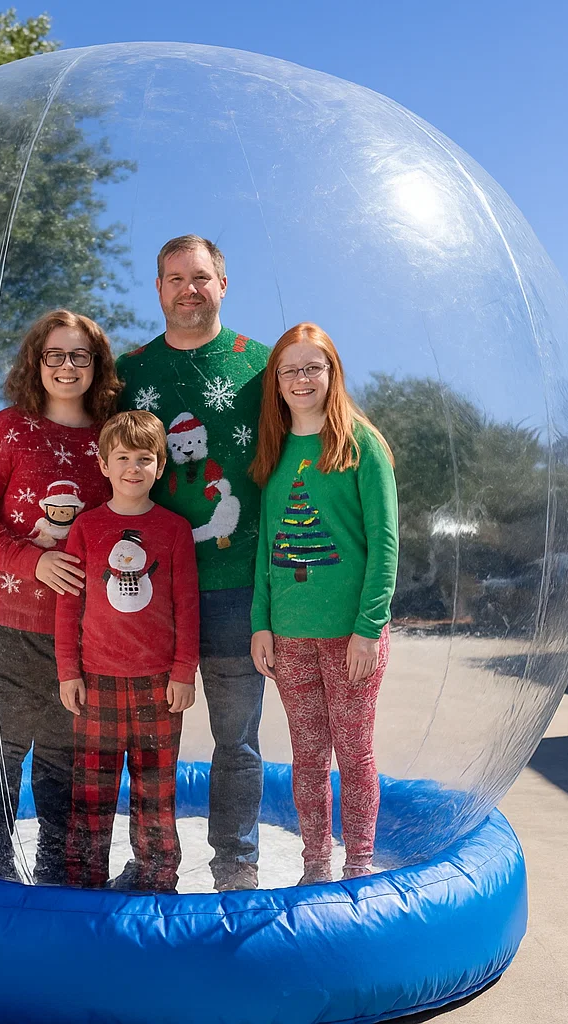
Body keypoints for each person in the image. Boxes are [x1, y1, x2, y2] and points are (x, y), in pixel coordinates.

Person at [115, 235, 268, 891]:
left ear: (223, 285)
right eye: (175, 278)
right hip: (151, 593)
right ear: (158, 289)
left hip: (236, 591)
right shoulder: (128, 373)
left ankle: (235, 861)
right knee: (151, 744)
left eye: (201, 277)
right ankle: (154, 864)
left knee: (236, 741)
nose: (188, 289)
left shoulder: (262, 366)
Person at [0, 309, 119, 883]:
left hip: (78, 631)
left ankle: (54, 870)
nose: (67, 367)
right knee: (2, 745)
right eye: (55, 356)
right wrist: (34, 560)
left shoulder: (111, 438)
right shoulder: (6, 430)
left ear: (97, 365)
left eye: (80, 356)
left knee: (61, 753)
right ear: (36, 363)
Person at [248, 322, 398, 884]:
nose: (302, 379)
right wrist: (262, 623)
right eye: (290, 370)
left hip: (351, 636)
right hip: (289, 635)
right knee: (307, 756)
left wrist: (368, 627)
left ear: (332, 372)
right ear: (277, 382)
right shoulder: (277, 448)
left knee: (354, 754)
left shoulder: (362, 444)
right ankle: (316, 864)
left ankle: (359, 864)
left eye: (314, 367)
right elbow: (266, 544)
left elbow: (385, 543)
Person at [55, 410, 199, 892]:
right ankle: (85, 883)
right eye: (122, 457)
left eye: (145, 458)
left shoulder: (174, 530)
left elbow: (187, 606)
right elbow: (68, 607)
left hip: (159, 685)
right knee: (91, 792)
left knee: (155, 791)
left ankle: (158, 879)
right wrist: (67, 672)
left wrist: (183, 672)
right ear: (103, 464)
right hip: (95, 682)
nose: (133, 468)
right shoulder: (86, 529)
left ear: (160, 467)